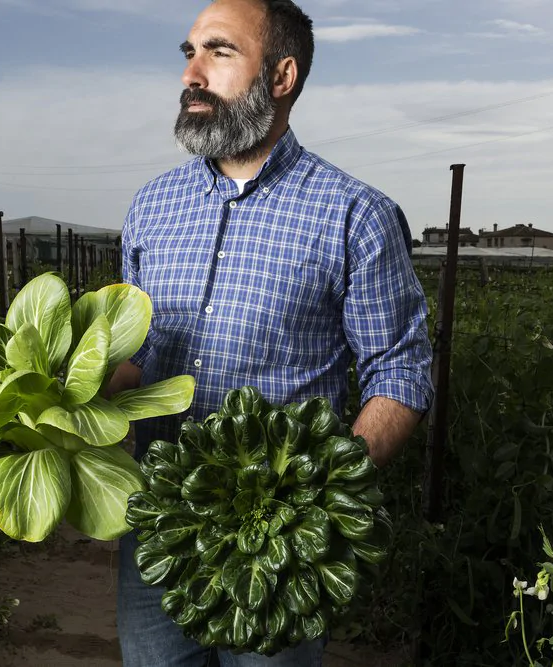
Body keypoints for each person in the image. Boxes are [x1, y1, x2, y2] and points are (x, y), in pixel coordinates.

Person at [106, 0, 434, 664]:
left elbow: (401, 374)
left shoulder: (355, 215)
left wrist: (316, 496)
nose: (191, 74)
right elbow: (139, 355)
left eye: (219, 52)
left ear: (280, 78)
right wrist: (62, 392)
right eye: (189, 52)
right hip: (157, 529)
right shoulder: (151, 207)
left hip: (276, 543)